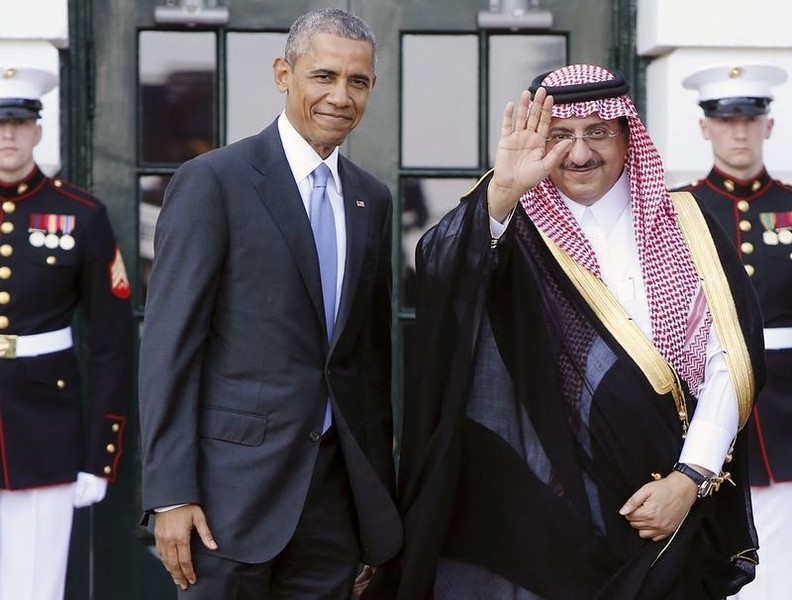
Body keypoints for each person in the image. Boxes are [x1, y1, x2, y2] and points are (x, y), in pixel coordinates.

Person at [370, 64, 765, 599]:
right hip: (554, 508)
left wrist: (689, 480)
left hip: (669, 503)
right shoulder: (514, 225)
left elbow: (729, 364)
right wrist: (504, 190)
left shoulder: (687, 221)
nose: (579, 155)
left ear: (628, 135)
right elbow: (440, 269)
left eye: (597, 133)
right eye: (560, 136)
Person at [138, 8, 401, 599]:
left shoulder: (371, 199)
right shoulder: (214, 181)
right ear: (284, 73)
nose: (340, 96)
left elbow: (367, 361)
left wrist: (372, 508)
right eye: (323, 76)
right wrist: (170, 493)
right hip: (226, 504)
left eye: (357, 82)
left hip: (334, 503)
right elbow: (169, 349)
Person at [0, 66, 134, 599]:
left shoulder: (80, 215)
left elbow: (111, 344)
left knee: (35, 585)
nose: (7, 134)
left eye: (17, 121)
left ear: (37, 129)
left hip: (46, 429)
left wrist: (101, 455)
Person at [674, 63, 792, 600]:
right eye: (725, 121)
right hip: (707, 401)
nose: (739, 132)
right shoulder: (681, 211)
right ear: (706, 127)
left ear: (768, 125)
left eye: (750, 119)